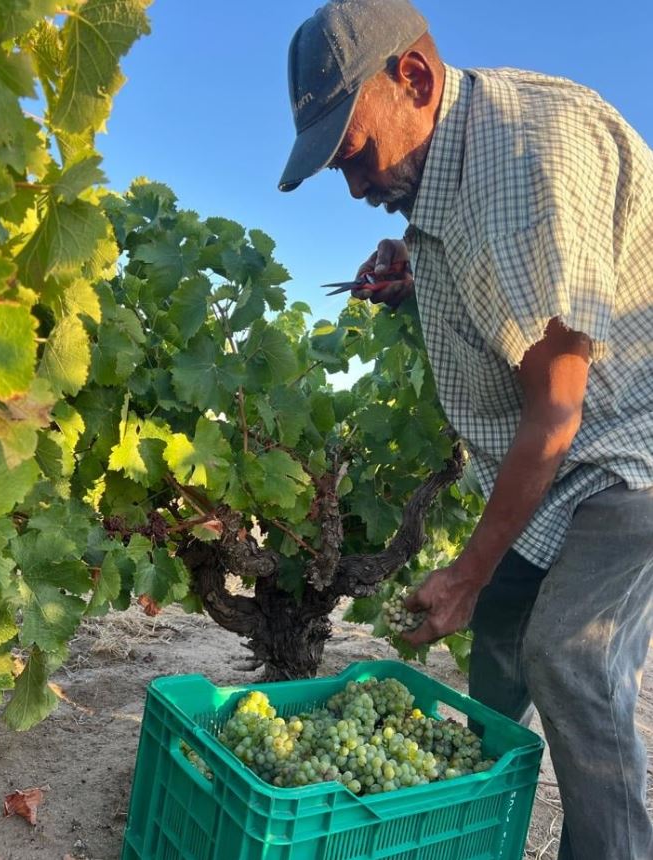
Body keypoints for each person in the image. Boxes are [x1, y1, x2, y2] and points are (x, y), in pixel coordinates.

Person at [278, 1, 653, 858]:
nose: (357, 187)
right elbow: (510, 302)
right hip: (565, 462)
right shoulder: (451, 181)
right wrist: (420, 278)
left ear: (413, 77)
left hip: (632, 448)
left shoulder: (526, 163)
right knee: (500, 661)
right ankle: (472, 834)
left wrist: (469, 570)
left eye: (356, 154)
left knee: (568, 658)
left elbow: (557, 410)